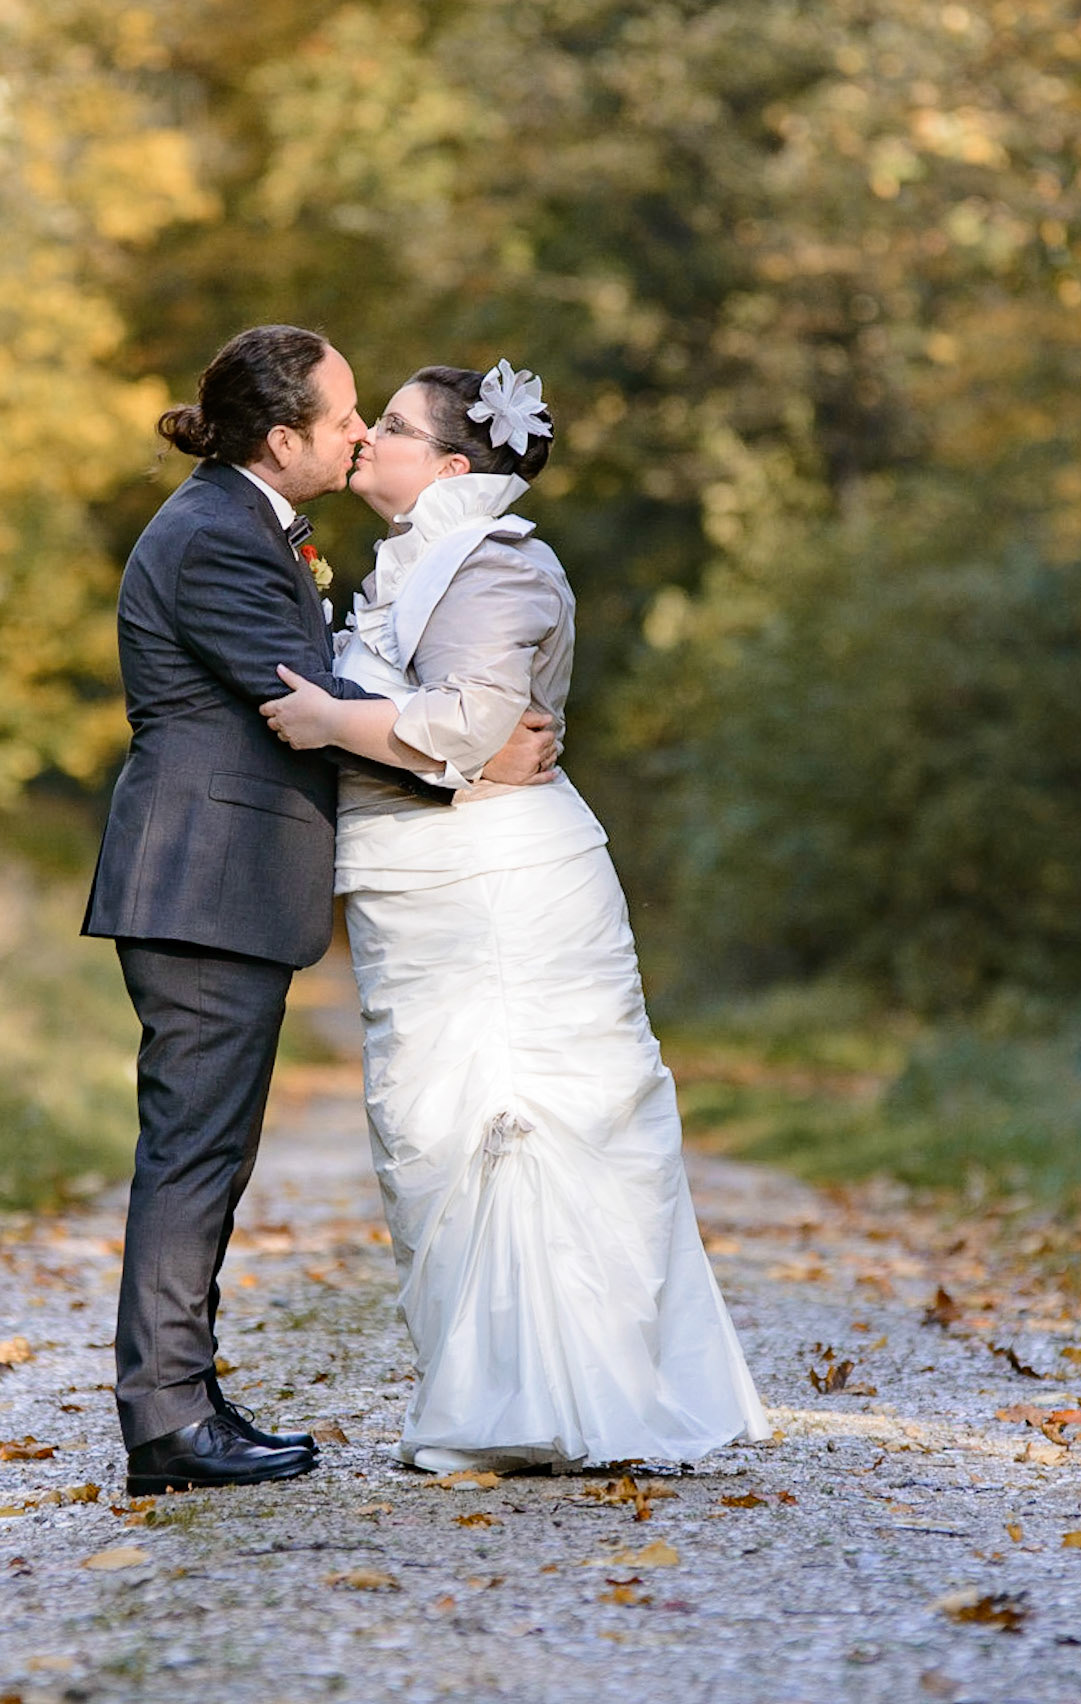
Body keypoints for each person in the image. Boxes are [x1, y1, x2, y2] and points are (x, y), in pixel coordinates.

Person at [261, 361, 768, 1472]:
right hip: (420, 884)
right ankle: (500, 1394)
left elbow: (472, 720)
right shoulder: (410, 562)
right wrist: (423, 738)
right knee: (433, 1133)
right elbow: (464, 732)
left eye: (392, 424)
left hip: (497, 888)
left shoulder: (497, 561)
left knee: (516, 1123)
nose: (366, 436)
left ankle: (564, 1401)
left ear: (451, 466)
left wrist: (331, 719)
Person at [82, 326, 555, 1494]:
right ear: (280, 438)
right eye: (342, 417)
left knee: (210, 1150)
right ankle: (167, 1421)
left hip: (217, 883)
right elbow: (309, 699)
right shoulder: (214, 537)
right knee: (194, 1152)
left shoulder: (241, 521)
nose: (357, 434)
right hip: (203, 879)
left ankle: (185, 1396)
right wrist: (475, 758)